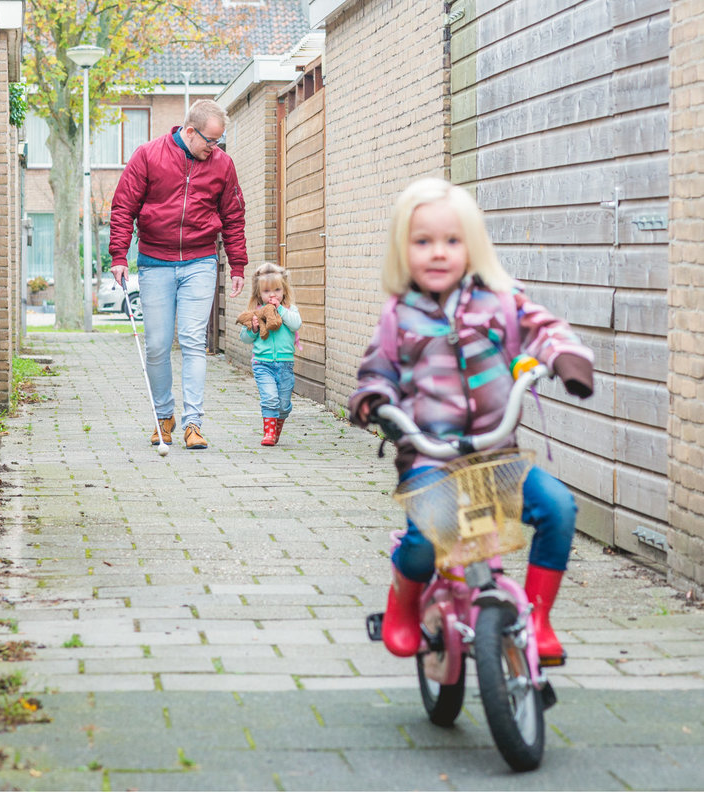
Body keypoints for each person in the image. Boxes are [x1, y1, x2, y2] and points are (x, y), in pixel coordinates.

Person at [348, 177, 594, 665]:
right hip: (431, 459)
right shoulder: (400, 315)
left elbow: (543, 329)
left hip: (495, 456)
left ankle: (539, 619)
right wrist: (374, 400)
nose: (437, 253)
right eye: (423, 242)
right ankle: (403, 601)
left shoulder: (501, 300)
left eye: (452, 241)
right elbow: (378, 369)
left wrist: (564, 357)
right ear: (404, 249)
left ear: (472, 246)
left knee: (559, 509)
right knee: (423, 541)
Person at [109, 99, 247, 450]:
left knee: (191, 341)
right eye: (210, 141)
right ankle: (163, 417)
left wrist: (237, 264)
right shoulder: (148, 156)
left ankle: (193, 423)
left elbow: (233, 215)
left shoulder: (223, 165)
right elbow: (124, 207)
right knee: (156, 346)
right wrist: (119, 256)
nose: (214, 148)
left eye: (218, 142)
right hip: (155, 261)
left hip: (200, 262)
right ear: (189, 131)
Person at [239, 262, 302, 446]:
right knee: (270, 398)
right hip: (262, 364)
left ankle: (276, 428)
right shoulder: (256, 313)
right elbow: (245, 338)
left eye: (277, 289)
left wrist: (280, 309)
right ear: (259, 294)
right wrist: (253, 329)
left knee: (283, 405)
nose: (272, 294)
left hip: (285, 364)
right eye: (267, 291)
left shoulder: (289, 310)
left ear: (284, 290)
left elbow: (296, 324)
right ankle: (268, 433)